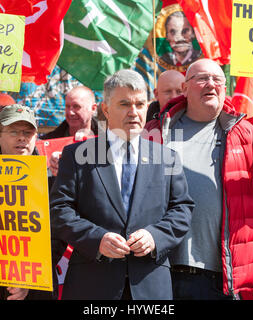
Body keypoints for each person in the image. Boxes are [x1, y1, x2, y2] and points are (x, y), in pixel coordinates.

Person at [144, 58, 253, 300]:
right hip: (165, 272)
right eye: (202, 78)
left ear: (225, 89)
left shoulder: (243, 131)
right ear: (185, 89)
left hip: (225, 279)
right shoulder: (155, 132)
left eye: (217, 79)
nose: (211, 84)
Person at [51, 69, 194, 300]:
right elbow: (59, 211)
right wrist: (97, 239)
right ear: (105, 109)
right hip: (92, 286)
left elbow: (182, 210)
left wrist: (155, 236)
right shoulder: (77, 155)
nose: (134, 112)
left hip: (150, 286)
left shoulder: (167, 157)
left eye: (139, 104)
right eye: (125, 104)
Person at [0, 104, 62, 300]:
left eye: (28, 132)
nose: (22, 138)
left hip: (38, 286)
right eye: (14, 131)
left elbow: (59, 232)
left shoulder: (51, 176)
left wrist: (28, 279)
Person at [40, 86, 99, 176]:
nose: (70, 112)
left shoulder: (108, 140)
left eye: (76, 106)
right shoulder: (47, 142)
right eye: (67, 106)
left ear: (93, 108)